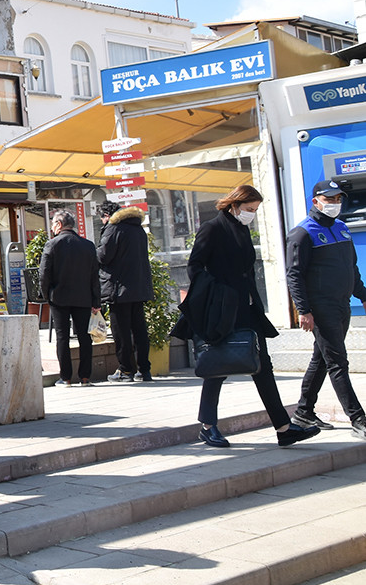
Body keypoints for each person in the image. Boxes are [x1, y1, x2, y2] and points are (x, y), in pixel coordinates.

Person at [176, 185, 320, 449]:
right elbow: (195, 266)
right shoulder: (213, 228)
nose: (251, 214)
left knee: (262, 367)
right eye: (249, 209)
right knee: (217, 367)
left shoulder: (241, 229)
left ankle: (284, 428)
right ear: (235, 204)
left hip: (247, 308)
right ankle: (208, 427)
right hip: (222, 309)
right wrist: (219, 292)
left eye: (255, 210)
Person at [288, 180, 366, 439]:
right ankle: (358, 419)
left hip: (342, 304)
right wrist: (304, 310)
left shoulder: (342, 228)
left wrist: (363, 296)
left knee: (322, 358)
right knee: (337, 362)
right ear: (316, 201)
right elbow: (295, 275)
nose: (334, 204)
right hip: (321, 308)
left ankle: (304, 411)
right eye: (329, 199)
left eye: (338, 199)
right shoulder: (303, 233)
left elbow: (351, 268)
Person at [39, 209, 101, 387]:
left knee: (62, 337)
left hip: (59, 298)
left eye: (52, 224)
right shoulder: (88, 245)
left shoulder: (52, 245)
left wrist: (47, 295)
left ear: (58, 225)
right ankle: (85, 377)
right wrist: (96, 301)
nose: (52, 228)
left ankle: (65, 378)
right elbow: (94, 276)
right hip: (83, 297)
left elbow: (44, 275)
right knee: (84, 336)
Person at [98, 203, 154, 382]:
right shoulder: (138, 230)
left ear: (107, 215)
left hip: (118, 288)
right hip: (138, 287)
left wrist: (92, 252)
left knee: (121, 332)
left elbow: (104, 256)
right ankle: (144, 370)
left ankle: (125, 370)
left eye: (102, 219)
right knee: (139, 329)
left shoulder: (114, 229)